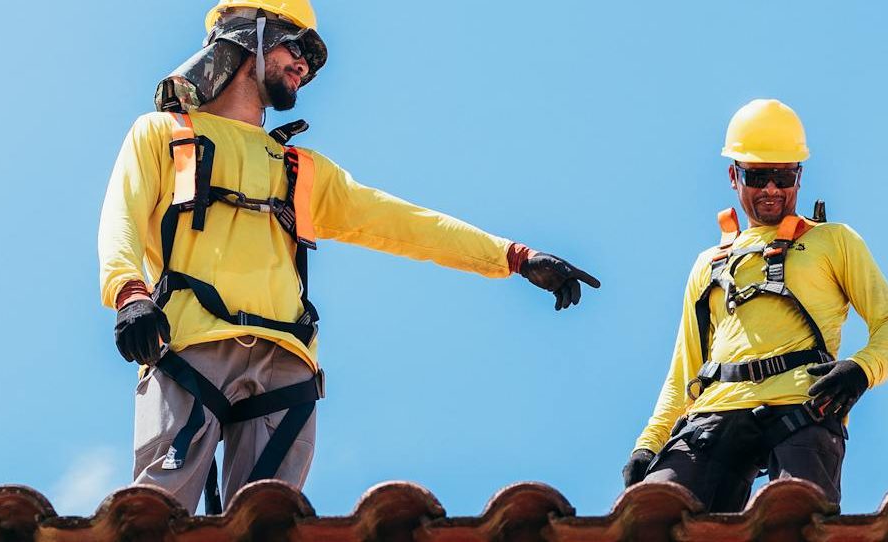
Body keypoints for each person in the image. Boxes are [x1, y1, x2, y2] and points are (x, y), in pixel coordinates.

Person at [98, 0, 599, 514]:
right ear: (250, 35)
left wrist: (514, 256)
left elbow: (404, 224)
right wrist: (129, 294)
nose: (305, 67)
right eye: (297, 49)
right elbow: (122, 219)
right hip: (189, 350)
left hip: (285, 368)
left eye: (311, 62)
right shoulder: (164, 134)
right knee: (155, 514)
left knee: (268, 522)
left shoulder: (302, 171)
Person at [620, 99, 888, 512]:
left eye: (782, 176)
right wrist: (649, 445)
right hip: (714, 413)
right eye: (758, 176)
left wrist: (861, 370)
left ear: (799, 176)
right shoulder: (709, 263)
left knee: (795, 518)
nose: (772, 189)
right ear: (734, 176)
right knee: (655, 515)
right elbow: (684, 371)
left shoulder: (834, 241)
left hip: (803, 407)